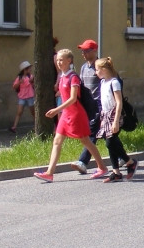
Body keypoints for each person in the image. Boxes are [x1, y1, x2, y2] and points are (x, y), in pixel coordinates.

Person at [34, 49, 108, 183]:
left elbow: (73, 98)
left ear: (69, 60)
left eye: (61, 60)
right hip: (66, 114)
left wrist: (57, 109)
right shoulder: (62, 76)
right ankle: (49, 173)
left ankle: (102, 167)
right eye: (57, 60)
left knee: (86, 141)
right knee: (57, 141)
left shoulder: (73, 77)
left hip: (75, 114)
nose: (58, 62)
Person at [94, 57, 138, 183]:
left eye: (97, 70)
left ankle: (130, 162)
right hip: (106, 115)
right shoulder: (103, 82)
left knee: (110, 142)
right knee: (111, 144)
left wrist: (116, 120)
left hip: (115, 115)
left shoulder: (114, 82)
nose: (96, 72)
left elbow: (119, 103)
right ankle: (116, 172)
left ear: (104, 69)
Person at [71, 39, 104, 176]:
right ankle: (123, 158)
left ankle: (83, 162)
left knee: (92, 133)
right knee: (107, 135)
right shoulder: (84, 67)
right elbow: (82, 86)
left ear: (94, 51)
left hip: (100, 105)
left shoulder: (100, 66)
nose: (83, 53)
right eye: (82, 51)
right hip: (89, 106)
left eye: (86, 50)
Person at [9, 61, 35, 134]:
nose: (30, 69)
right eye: (29, 68)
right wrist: (19, 83)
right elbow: (14, 87)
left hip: (30, 96)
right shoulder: (19, 78)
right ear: (25, 69)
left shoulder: (31, 76)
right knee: (19, 112)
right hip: (22, 97)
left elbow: (34, 86)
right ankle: (14, 127)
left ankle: (36, 126)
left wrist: (32, 82)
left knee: (33, 112)